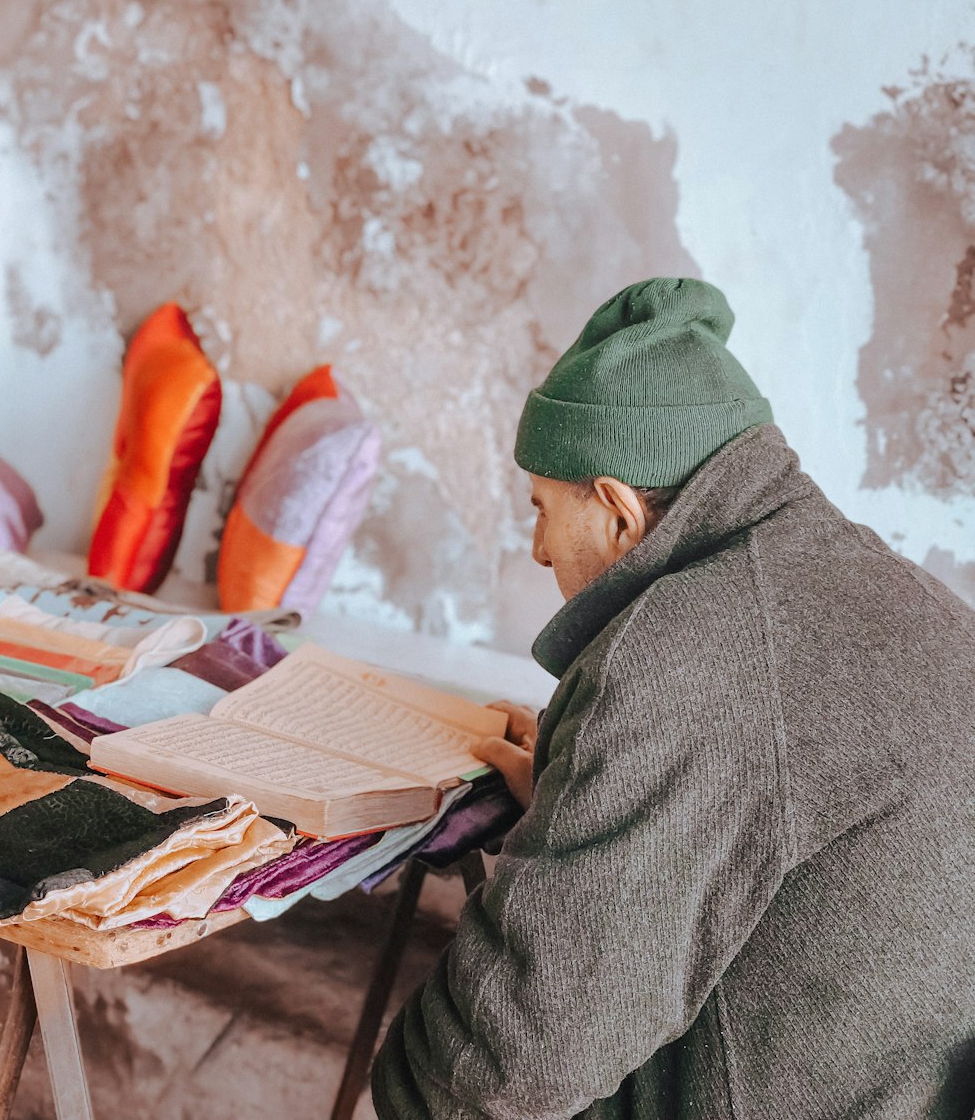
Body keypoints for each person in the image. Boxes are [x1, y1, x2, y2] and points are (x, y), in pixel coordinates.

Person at [371, 278, 975, 1119]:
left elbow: (501, 1071)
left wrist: (399, 1084)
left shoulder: (676, 658)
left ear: (619, 510)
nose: (541, 548)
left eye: (543, 509)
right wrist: (585, 796)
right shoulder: (912, 596)